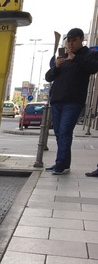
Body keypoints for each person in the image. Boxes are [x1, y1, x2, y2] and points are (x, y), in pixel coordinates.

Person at [44, 28, 98, 175]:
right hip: (57, 100)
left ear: (81, 39)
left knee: (65, 131)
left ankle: (60, 165)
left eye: (74, 40)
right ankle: (64, 164)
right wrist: (57, 66)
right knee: (58, 133)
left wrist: (75, 58)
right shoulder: (63, 57)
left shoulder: (89, 54)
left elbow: (92, 68)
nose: (71, 43)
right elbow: (48, 77)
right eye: (69, 40)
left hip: (73, 101)